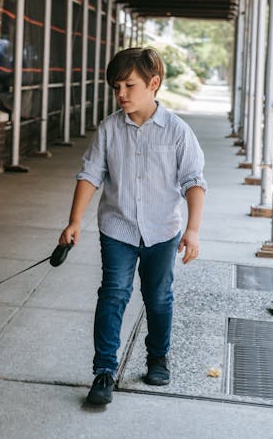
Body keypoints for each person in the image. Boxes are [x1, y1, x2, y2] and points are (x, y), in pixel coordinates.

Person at [58, 47, 206, 406]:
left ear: (153, 84)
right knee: (113, 295)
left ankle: (157, 357)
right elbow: (90, 174)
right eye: (116, 87)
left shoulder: (177, 132)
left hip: (162, 230)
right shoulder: (109, 129)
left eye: (129, 84)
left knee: (158, 297)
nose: (121, 93)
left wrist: (193, 230)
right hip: (118, 228)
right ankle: (104, 371)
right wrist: (74, 221)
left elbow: (194, 181)